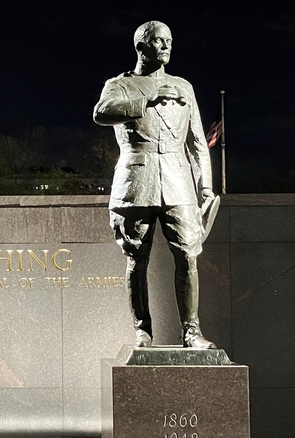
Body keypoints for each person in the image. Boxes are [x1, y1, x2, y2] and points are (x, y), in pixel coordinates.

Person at [93, 20, 217, 349]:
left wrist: (205, 185)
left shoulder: (184, 87)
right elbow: (101, 113)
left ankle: (191, 331)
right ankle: (142, 329)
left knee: (188, 255)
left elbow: (197, 142)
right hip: (135, 179)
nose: (165, 47)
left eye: (169, 41)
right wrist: (148, 98)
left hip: (178, 181)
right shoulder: (119, 84)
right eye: (158, 41)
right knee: (137, 258)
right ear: (141, 47)